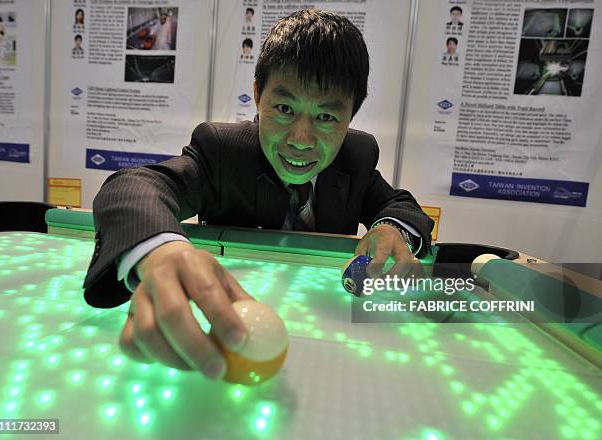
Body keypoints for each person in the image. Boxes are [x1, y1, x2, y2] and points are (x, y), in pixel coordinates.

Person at [84, 9, 434, 380]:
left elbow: (399, 204)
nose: (300, 140)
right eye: (284, 109)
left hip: (334, 348)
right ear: (256, 95)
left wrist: (390, 228)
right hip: (229, 330)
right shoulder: (222, 151)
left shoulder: (356, 156)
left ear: (351, 116)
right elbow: (135, 186)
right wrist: (159, 250)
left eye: (327, 117)